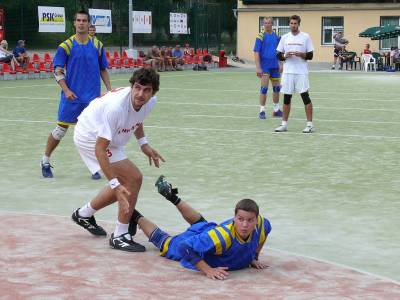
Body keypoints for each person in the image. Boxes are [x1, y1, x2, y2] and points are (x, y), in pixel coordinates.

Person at [72, 68, 165, 252]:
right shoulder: (116, 108)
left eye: (146, 90)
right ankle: (120, 236)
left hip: (109, 137)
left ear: (153, 92)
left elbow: (137, 118)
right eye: (137, 88)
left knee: (127, 182)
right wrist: (114, 184)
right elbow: (100, 148)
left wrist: (144, 144)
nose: (140, 94)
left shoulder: (150, 102)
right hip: (90, 135)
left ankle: (84, 214)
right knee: (132, 179)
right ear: (132, 86)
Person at [128, 175, 271, 279]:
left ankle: (173, 197)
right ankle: (134, 214)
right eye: (240, 219)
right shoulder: (222, 236)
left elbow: (265, 232)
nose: (245, 224)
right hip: (202, 245)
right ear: (234, 218)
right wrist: (207, 270)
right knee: (164, 242)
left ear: (256, 219)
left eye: (250, 220)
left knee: (200, 223)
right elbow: (184, 248)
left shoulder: (262, 225)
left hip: (209, 232)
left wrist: (253, 257)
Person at [40, 10, 111, 179]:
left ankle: (95, 168)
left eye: (84, 20)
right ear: (74, 23)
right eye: (78, 20)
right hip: (71, 98)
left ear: (89, 24)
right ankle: (45, 160)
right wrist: (66, 90)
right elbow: (57, 71)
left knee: (97, 133)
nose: (81, 23)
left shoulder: (98, 45)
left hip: (93, 98)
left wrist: (109, 90)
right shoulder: (65, 46)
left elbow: (103, 69)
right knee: (60, 131)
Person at [275, 15, 315, 133]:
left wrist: (302, 54)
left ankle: (309, 124)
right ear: (289, 24)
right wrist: (284, 56)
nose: (293, 25)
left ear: (299, 24)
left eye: (295, 23)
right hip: (288, 72)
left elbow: (311, 55)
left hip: (301, 72)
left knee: (305, 97)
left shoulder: (305, 37)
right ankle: (284, 124)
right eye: (291, 23)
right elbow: (278, 54)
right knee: (287, 98)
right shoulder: (284, 37)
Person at [253, 17, 283, 119]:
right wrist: (258, 67)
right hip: (265, 67)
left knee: (276, 88)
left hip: (275, 66)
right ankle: (262, 111)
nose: (267, 25)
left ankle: (276, 110)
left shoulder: (277, 36)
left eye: (269, 23)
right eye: (265, 23)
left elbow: (280, 51)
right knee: (264, 89)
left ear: (272, 24)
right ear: (263, 24)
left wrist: (281, 63)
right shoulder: (260, 36)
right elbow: (256, 52)